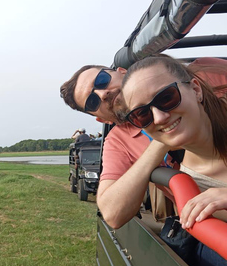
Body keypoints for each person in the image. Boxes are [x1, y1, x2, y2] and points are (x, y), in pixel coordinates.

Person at [60, 56, 227, 229]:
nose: (103, 94)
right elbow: (112, 213)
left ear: (122, 72)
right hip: (208, 224)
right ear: (102, 120)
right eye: (92, 101)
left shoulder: (205, 73)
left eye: (102, 80)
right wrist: (163, 135)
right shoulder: (119, 141)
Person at [121, 55, 227, 266]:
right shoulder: (190, 181)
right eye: (142, 114)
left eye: (167, 97)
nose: (159, 117)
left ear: (196, 90)